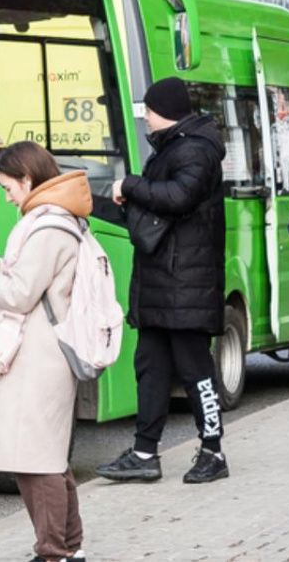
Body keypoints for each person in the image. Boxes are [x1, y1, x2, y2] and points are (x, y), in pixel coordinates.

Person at [0, 141, 90, 562]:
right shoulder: (60, 221)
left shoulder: (47, 228)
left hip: (38, 354)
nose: (7, 195)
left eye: (8, 187)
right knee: (43, 455)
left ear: (28, 179)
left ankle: (54, 553)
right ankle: (68, 548)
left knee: (38, 460)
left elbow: (20, 293)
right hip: (38, 350)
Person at [96, 76, 229, 484]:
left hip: (186, 285)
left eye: (149, 112)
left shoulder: (197, 149)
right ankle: (143, 452)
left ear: (165, 111)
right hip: (162, 282)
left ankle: (213, 451)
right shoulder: (176, 146)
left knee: (195, 369)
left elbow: (179, 197)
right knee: (150, 367)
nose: (146, 120)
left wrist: (130, 184)